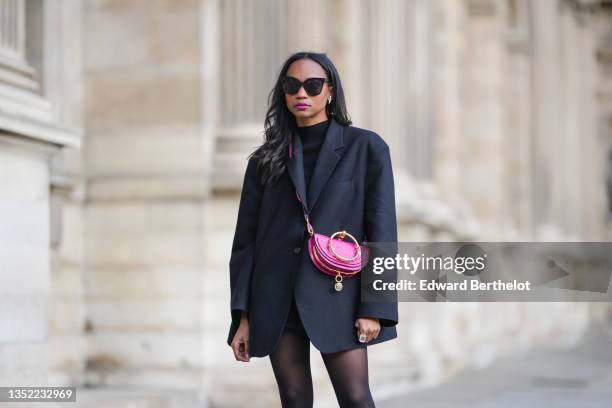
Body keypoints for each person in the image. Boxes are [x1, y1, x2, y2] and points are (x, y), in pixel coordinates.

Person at [227, 51, 398, 407]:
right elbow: (245, 243)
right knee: (293, 397)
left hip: (339, 294)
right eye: (292, 85)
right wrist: (243, 317)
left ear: (330, 91)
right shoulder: (265, 158)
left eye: (312, 85)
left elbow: (382, 231)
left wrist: (375, 307)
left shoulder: (366, 148)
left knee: (355, 397)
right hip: (276, 295)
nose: (301, 93)